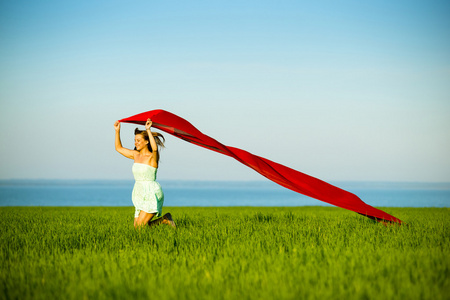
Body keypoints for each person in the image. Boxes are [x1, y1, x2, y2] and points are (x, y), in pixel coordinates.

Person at [114, 118, 175, 229]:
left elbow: (155, 149)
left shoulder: (152, 157)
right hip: (138, 192)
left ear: (146, 141)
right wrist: (117, 131)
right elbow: (118, 148)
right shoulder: (135, 155)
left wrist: (148, 130)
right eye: (135, 140)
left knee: (140, 227)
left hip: (151, 191)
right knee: (138, 227)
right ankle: (165, 219)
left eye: (138, 140)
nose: (135, 143)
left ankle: (164, 221)